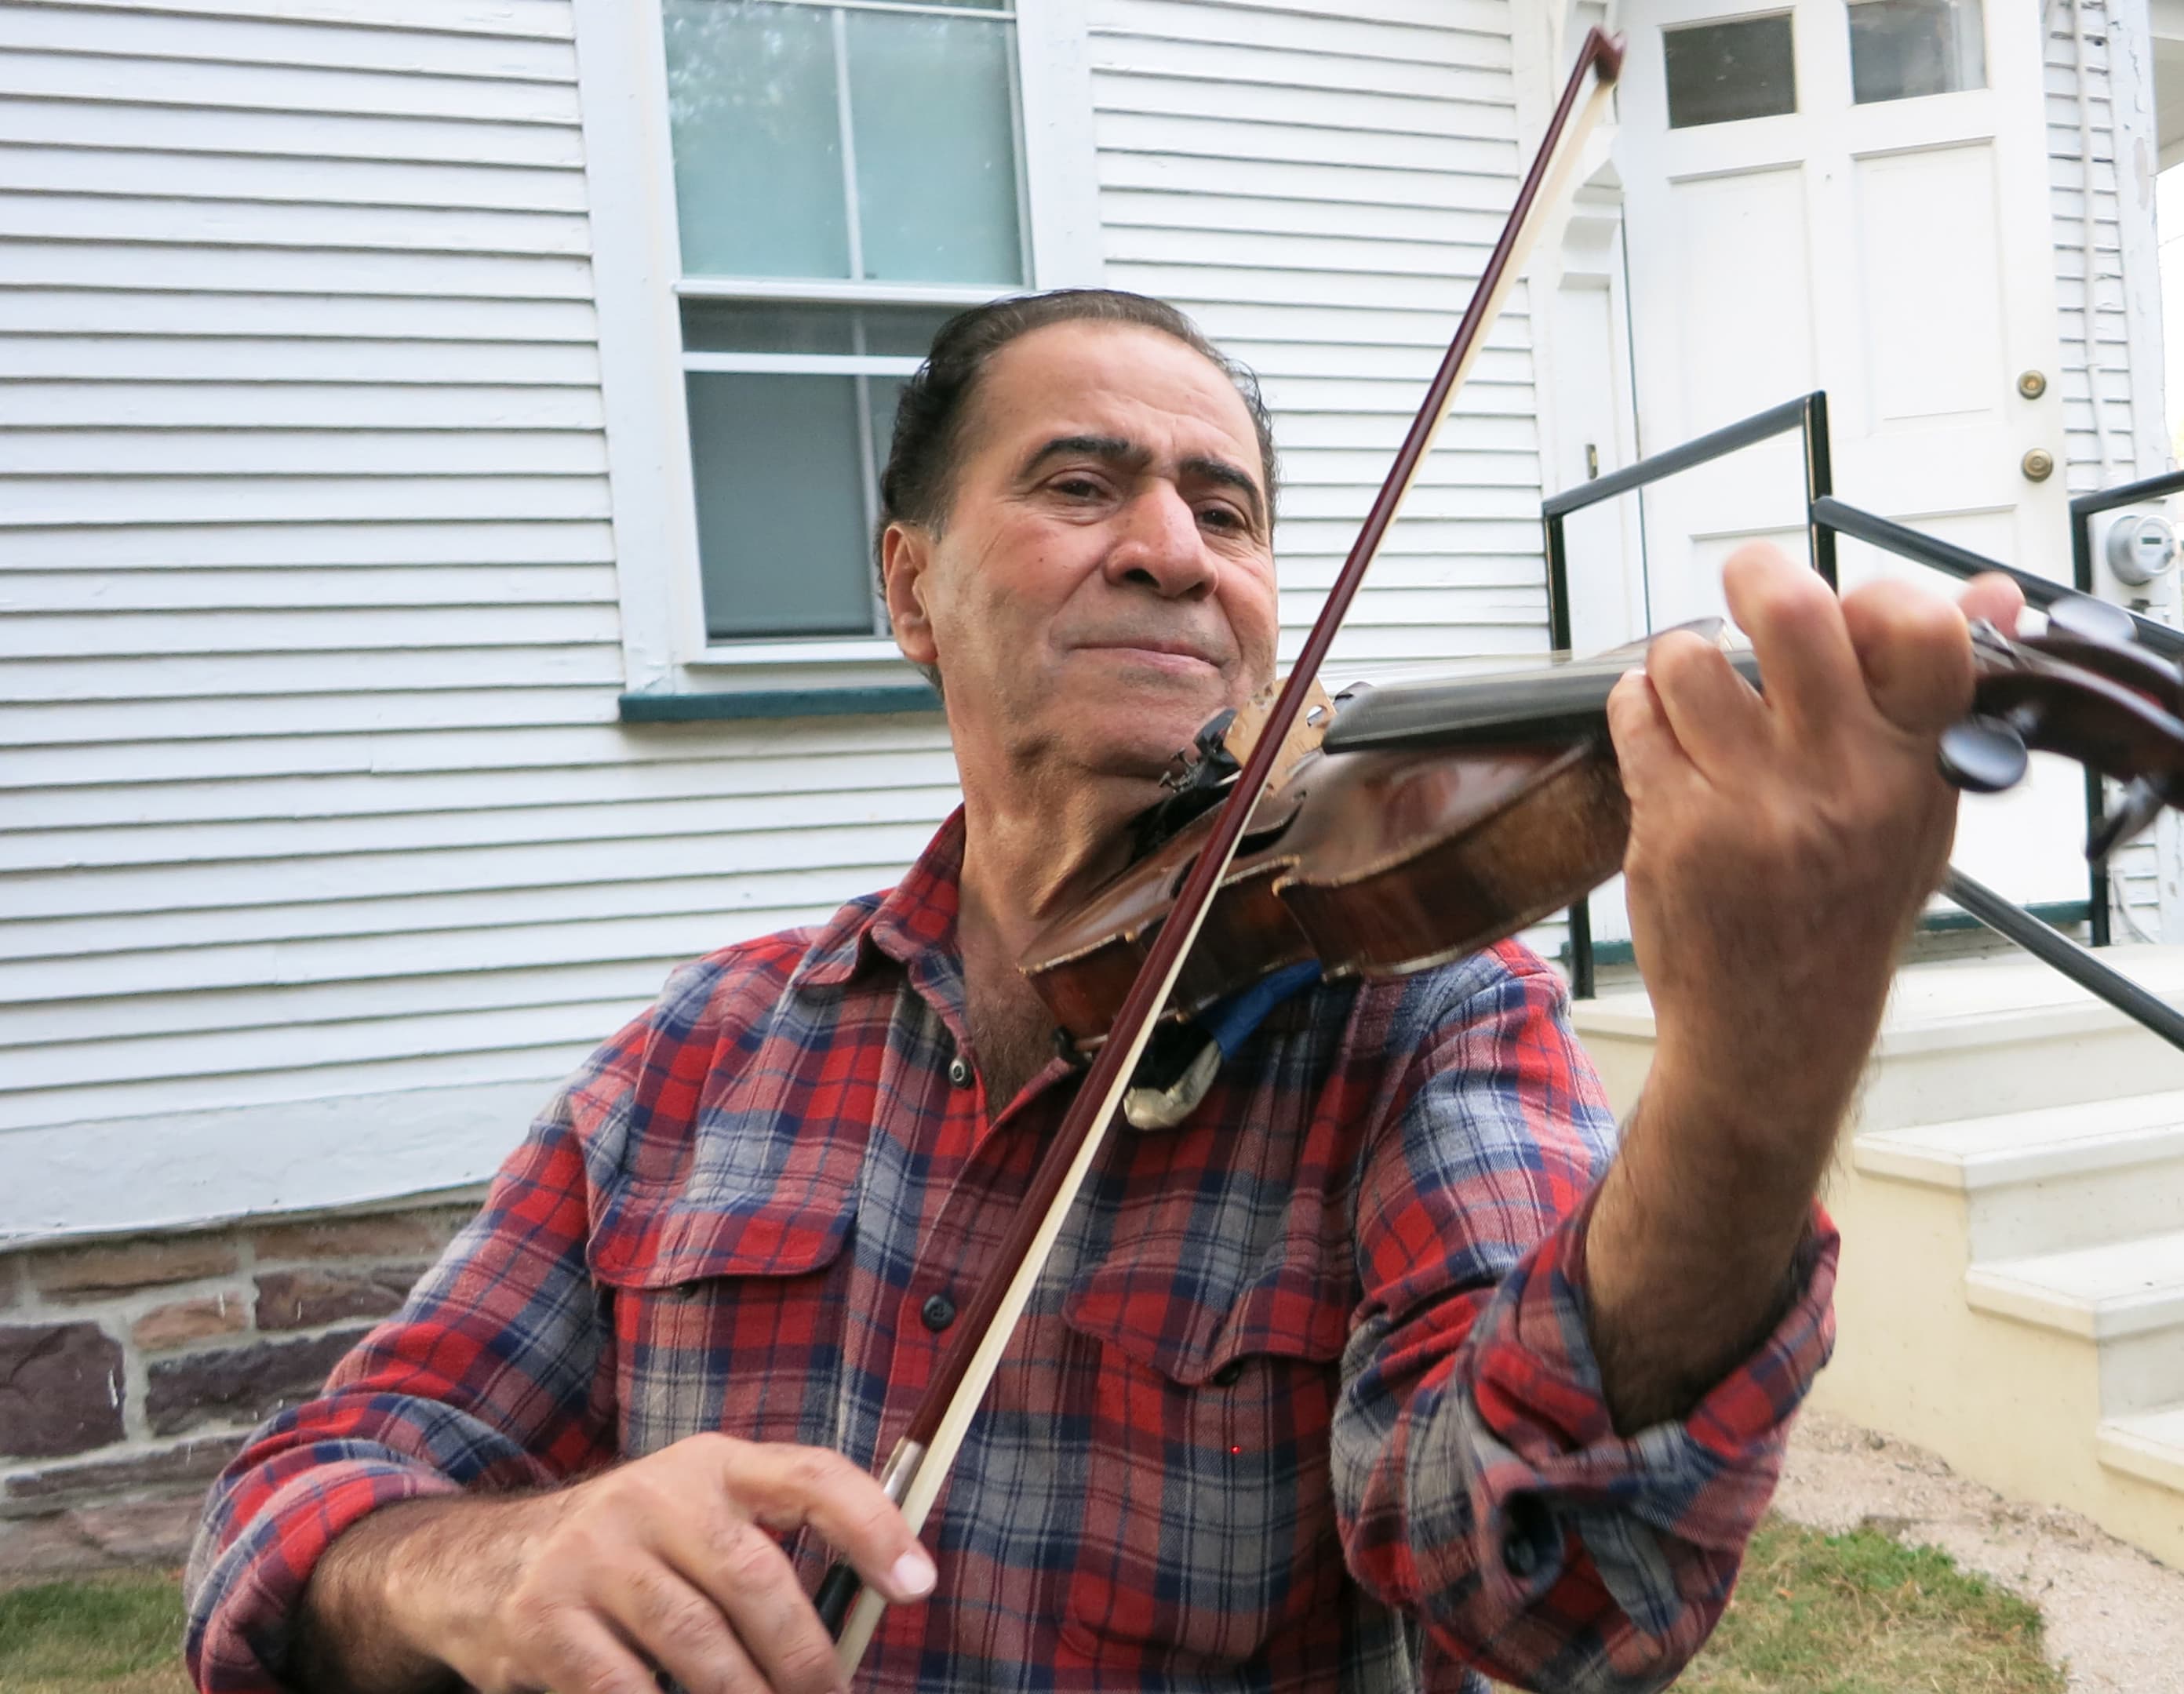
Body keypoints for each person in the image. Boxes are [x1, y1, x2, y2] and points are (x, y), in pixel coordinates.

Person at [185, 289, 2026, 1694]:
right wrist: (471, 1570)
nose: (1172, 548)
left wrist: (1755, 1072)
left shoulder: (1410, 1023)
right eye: (1082, 485)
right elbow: (300, 1496)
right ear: (908, 589)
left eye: (1226, 511)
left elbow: (1555, 1589)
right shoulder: (699, 1057)